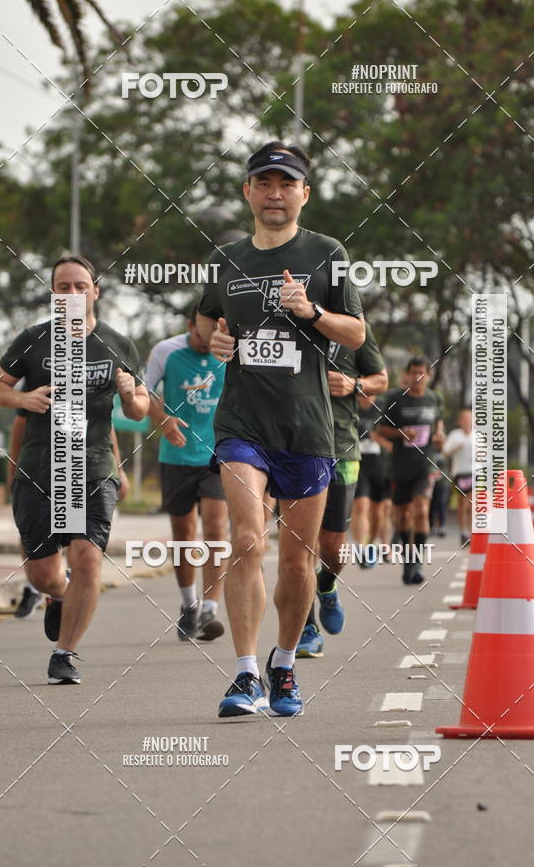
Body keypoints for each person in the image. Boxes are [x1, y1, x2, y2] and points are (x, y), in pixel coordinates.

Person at [197, 140, 364, 717]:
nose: (274, 193)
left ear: (304, 194)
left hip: (308, 429)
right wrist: (215, 341)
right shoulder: (227, 258)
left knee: (299, 560)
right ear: (247, 191)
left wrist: (311, 312)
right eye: (264, 183)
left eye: (286, 184)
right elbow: (205, 322)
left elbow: (357, 336)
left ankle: (285, 666)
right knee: (246, 540)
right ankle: (244, 676)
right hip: (242, 424)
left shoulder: (327, 253)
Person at [0, 255, 149, 684]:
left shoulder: (118, 344)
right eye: (63, 287)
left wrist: (131, 398)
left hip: (93, 466)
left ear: (95, 291)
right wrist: (23, 399)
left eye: (81, 286)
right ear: (53, 294)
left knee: (89, 557)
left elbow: (139, 407)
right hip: (40, 466)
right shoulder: (32, 340)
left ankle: (65, 654)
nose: (72, 294)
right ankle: (60, 594)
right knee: (43, 574)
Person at [296, 323, 387, 657]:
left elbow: (381, 379)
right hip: (293, 449)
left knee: (333, 550)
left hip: (342, 447)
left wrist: (354, 384)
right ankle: (306, 628)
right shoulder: (284, 324)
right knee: (299, 546)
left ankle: (326, 584)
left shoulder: (354, 328)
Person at [145, 306, 228, 642]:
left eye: (214, 336)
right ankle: (189, 604)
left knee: (215, 526)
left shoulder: (231, 352)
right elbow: (143, 392)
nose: (207, 343)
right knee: (183, 534)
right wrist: (162, 420)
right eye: (201, 335)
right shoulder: (166, 351)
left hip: (217, 453)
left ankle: (211, 608)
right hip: (176, 455)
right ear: (191, 325)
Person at [8, 409, 130, 617]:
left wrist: (118, 468)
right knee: (30, 535)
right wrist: (13, 472)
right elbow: (20, 425)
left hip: (80, 472)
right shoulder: (40, 379)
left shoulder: (91, 386)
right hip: (39, 472)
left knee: (76, 544)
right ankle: (50, 585)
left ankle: (61, 591)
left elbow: (104, 425)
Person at [376, 356, 444, 585]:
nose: (417, 377)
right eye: (414, 372)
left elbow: (439, 423)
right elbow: (381, 429)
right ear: (408, 374)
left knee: (422, 511)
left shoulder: (433, 399)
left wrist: (440, 436)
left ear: (428, 375)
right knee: (403, 516)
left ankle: (417, 562)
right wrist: (401, 433)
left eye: (421, 373)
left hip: (425, 466)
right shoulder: (396, 399)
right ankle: (408, 559)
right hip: (400, 467)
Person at [351, 398, 393, 566]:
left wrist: (376, 437)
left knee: (381, 510)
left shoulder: (384, 408)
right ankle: (361, 549)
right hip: (357, 464)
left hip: (380, 466)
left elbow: (391, 442)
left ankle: (380, 545)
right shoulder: (350, 405)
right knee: (360, 505)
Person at [443, 408, 473, 544]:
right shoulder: (455, 435)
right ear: (460, 421)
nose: (468, 421)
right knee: (463, 503)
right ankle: (463, 531)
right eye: (465, 419)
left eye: (470, 419)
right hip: (460, 473)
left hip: (475, 473)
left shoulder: (477, 436)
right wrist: (456, 448)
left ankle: (471, 531)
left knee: (472, 503)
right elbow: (445, 452)